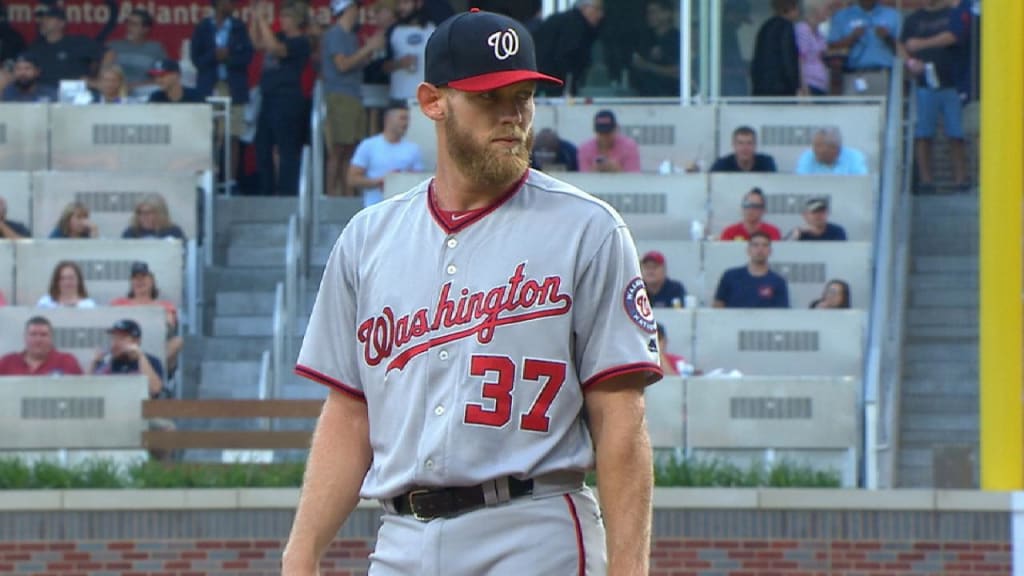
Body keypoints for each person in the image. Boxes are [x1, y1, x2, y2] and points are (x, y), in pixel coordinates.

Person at [284, 10, 662, 575]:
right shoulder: (369, 238)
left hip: (534, 529)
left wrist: (629, 571)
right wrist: (301, 552)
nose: (513, 115)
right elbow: (349, 411)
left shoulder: (589, 229)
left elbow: (621, 416)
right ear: (434, 102)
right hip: (401, 537)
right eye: (490, 98)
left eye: (524, 97)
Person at [901, 0, 968, 192]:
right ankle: (926, 181)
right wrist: (911, 63)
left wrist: (920, 45)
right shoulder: (913, 19)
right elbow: (902, 45)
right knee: (923, 134)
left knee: (957, 135)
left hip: (954, 83)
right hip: (924, 85)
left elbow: (956, 37)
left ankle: (961, 180)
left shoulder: (953, 15)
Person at [323, 0, 387, 197]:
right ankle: (332, 195)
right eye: (355, 7)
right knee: (338, 149)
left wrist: (369, 51)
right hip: (340, 96)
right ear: (347, 9)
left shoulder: (350, 37)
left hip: (352, 95)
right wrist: (368, 48)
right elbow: (342, 65)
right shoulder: (336, 34)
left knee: (350, 149)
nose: (358, 11)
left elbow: (354, 64)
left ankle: (345, 193)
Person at [250, 1, 311, 196]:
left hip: (287, 99)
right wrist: (255, 17)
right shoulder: (279, 36)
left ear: (297, 20)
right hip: (268, 97)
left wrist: (262, 20)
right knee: (263, 145)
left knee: (286, 148)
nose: (282, 21)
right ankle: (266, 190)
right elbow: (258, 43)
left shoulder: (301, 41)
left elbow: (276, 49)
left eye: (286, 17)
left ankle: (287, 192)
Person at [191, 0, 254, 187]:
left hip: (232, 86)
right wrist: (213, 55)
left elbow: (247, 57)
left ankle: (230, 181)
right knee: (208, 135)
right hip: (209, 86)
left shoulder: (238, 27)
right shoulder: (203, 27)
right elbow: (196, 59)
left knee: (232, 135)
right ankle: (209, 180)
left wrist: (228, 57)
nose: (233, 5)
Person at [111, 261, 184, 377]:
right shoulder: (118, 303)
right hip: (126, 348)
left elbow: (169, 328)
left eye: (143, 277)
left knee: (178, 341)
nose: (140, 281)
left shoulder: (165, 305)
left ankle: (150, 366)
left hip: (155, 348)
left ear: (152, 281)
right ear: (131, 282)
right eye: (135, 278)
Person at [348, 104, 424, 207]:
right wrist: (381, 182)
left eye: (408, 119)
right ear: (388, 119)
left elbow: (418, 181)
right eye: (402, 118)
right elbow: (352, 179)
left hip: (403, 210)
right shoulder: (368, 145)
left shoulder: (413, 149)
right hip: (374, 208)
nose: (406, 123)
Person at [25, 6, 105, 92]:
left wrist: (100, 76)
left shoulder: (77, 42)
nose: (43, 22)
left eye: (48, 18)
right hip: (44, 95)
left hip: (75, 92)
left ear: (61, 23)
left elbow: (108, 53)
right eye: (42, 19)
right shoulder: (35, 47)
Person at [533, 0, 604, 96]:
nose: (600, 15)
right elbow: (565, 57)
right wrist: (569, 84)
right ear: (585, 8)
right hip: (554, 86)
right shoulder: (576, 27)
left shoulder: (561, 20)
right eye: (598, 9)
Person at [91, 319, 167, 400]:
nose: (115, 343)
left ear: (136, 341)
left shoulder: (151, 361)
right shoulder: (107, 361)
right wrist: (93, 363)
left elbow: (155, 390)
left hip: (141, 408)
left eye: (121, 338)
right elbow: (89, 392)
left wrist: (140, 356)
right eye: (113, 338)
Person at [713, 231, 789, 308]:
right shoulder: (730, 276)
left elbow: (782, 314)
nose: (760, 249)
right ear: (748, 250)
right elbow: (718, 305)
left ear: (770, 251)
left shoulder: (778, 281)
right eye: (755, 245)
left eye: (765, 245)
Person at [381, 0, 436, 105]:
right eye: (399, 3)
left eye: (405, 3)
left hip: (426, 100)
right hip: (398, 98)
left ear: (419, 3)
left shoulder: (433, 30)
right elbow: (382, 67)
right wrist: (399, 64)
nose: (401, 7)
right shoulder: (392, 31)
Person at [102, 8, 167, 97]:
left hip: (142, 92)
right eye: (128, 23)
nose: (129, 27)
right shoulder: (113, 46)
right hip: (114, 90)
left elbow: (162, 78)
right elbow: (102, 73)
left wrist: (132, 86)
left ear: (145, 29)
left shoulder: (155, 49)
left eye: (134, 24)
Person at [826, 0, 901, 72]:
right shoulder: (842, 16)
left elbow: (902, 50)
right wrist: (852, 37)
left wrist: (887, 37)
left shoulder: (892, 15)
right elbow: (831, 47)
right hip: (852, 71)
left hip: (884, 71)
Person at [0, 316, 83, 376]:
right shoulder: (7, 362)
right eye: (33, 334)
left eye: (43, 335)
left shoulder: (67, 362)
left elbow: (83, 391)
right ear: (25, 337)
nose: (38, 340)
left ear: (51, 338)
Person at [750, 0, 801, 97]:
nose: (798, 13)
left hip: (761, 88)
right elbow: (788, 58)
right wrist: (795, 85)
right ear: (790, 9)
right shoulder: (786, 27)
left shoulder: (765, 27)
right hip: (782, 89)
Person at [630, 0, 680, 97]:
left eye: (654, 12)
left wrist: (647, 66)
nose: (650, 16)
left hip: (669, 99)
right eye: (648, 13)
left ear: (667, 14)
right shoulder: (646, 39)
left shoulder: (677, 39)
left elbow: (679, 71)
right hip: (645, 98)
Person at [577, 109, 642, 173]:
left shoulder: (629, 147)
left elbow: (634, 176)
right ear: (595, 130)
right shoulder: (585, 149)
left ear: (616, 128)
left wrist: (618, 170)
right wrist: (593, 171)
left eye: (608, 132)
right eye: (601, 133)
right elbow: (583, 177)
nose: (604, 137)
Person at [795, 127, 869, 175]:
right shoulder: (807, 156)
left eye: (819, 146)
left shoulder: (854, 157)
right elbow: (801, 183)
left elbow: (859, 184)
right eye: (815, 145)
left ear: (834, 148)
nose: (815, 150)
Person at [795, 3, 830, 95]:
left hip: (821, 83)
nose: (828, 12)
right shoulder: (803, 29)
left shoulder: (818, 32)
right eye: (825, 9)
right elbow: (800, 60)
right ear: (815, 12)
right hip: (809, 83)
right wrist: (804, 88)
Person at [710, 126, 777, 173]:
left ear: (755, 145)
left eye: (749, 143)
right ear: (734, 145)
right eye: (740, 143)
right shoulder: (722, 164)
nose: (745, 148)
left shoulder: (766, 163)